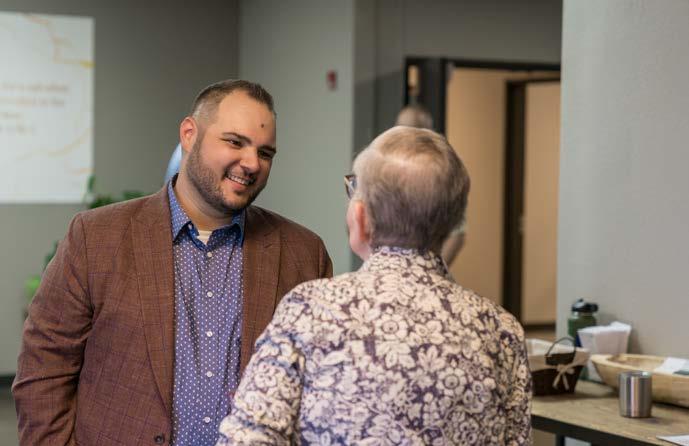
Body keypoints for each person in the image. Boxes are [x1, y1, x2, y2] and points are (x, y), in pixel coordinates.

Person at [13, 79, 333, 446]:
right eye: (235, 142)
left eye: (266, 152)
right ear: (189, 134)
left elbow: (322, 389)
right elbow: (44, 368)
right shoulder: (96, 237)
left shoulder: (303, 254)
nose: (251, 163)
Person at [216, 126, 531, 445]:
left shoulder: (312, 310)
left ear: (361, 217)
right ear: (451, 223)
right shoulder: (503, 331)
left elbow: (247, 438)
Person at [395, 104, 466, 265]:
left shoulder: (443, 171)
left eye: (411, 129)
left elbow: (457, 234)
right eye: (400, 128)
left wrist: (431, 268)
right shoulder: (383, 167)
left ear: (427, 132)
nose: (404, 135)